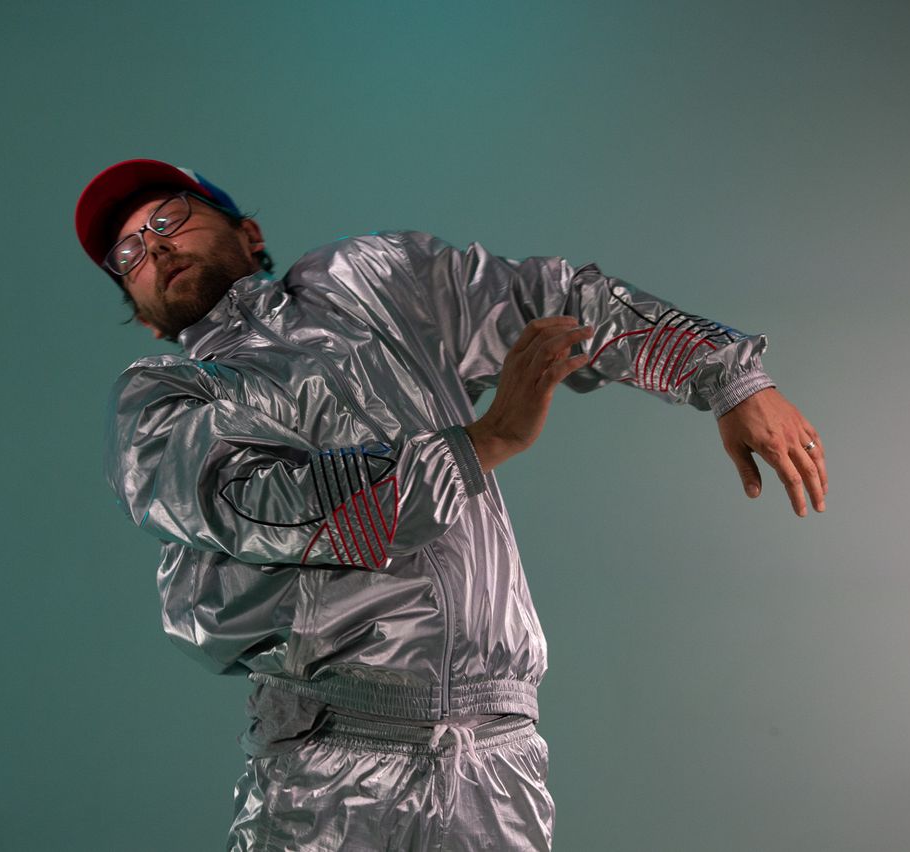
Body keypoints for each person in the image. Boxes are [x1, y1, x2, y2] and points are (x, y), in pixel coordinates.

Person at [75, 158, 828, 851]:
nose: (154, 246)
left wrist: (725, 377)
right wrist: (481, 442)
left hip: (497, 762)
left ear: (249, 231)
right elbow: (255, 504)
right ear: (141, 313)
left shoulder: (373, 283)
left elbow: (557, 305)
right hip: (329, 771)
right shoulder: (161, 403)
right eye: (129, 253)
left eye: (169, 217)